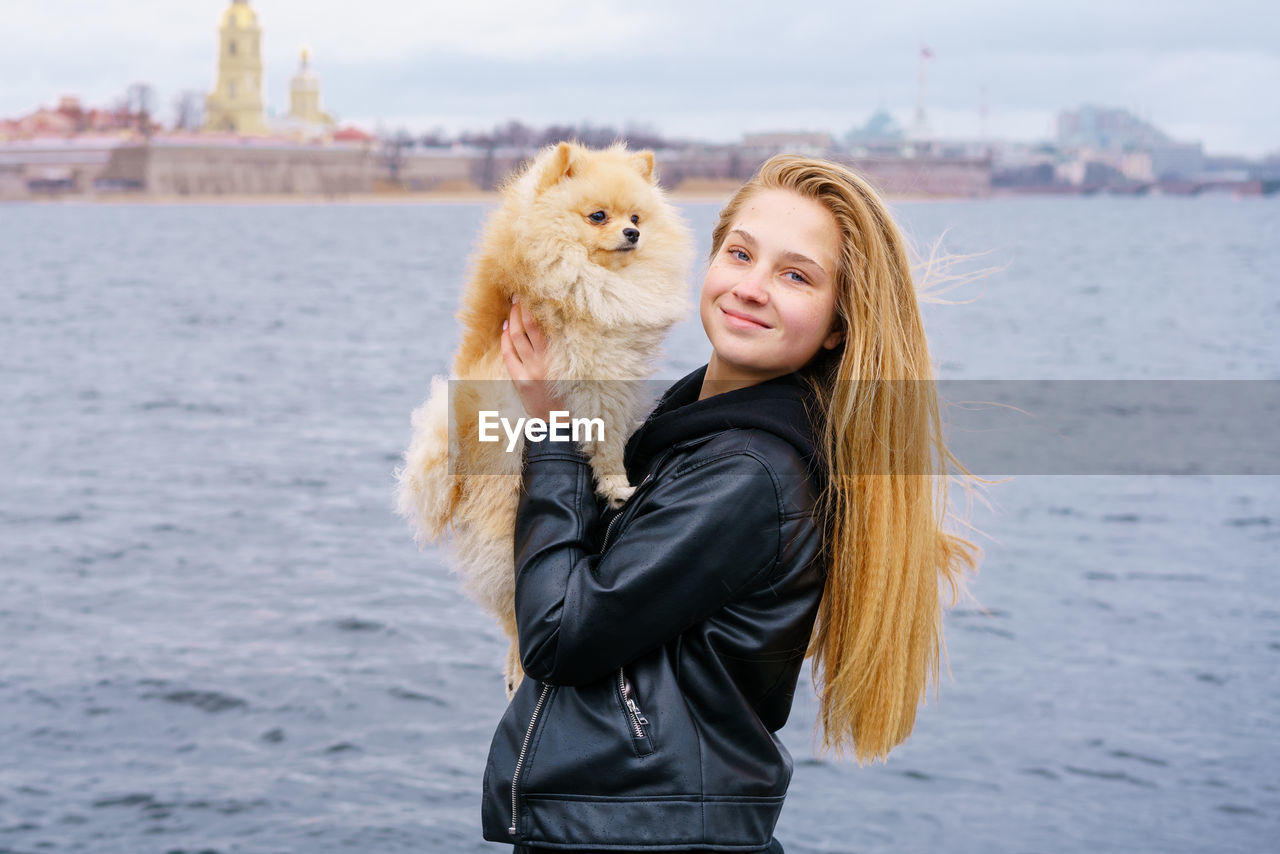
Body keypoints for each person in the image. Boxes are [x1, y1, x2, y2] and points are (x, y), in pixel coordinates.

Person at [484, 154, 981, 853]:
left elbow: (561, 634)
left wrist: (553, 428)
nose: (751, 287)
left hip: (650, 836)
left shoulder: (749, 474)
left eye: (795, 275)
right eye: (740, 254)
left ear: (838, 324)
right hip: (634, 828)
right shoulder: (685, 431)